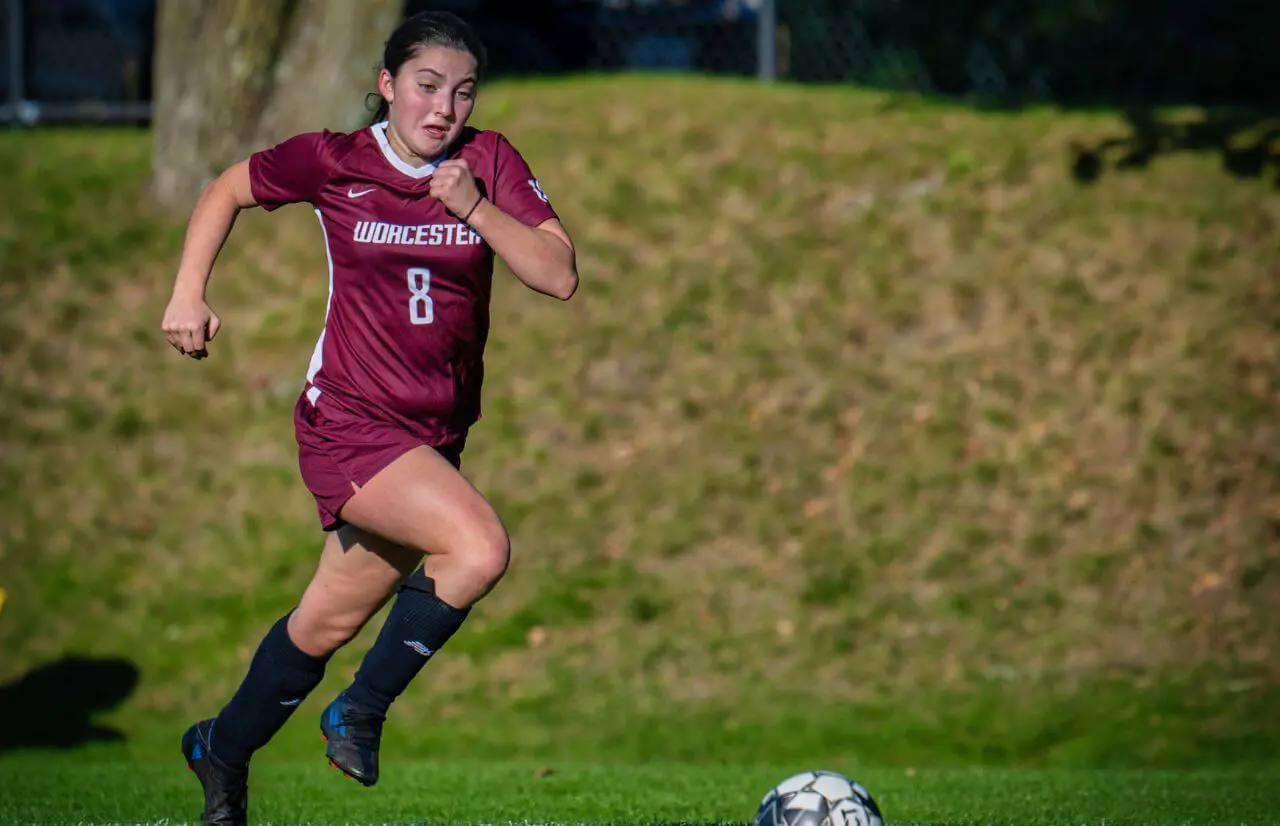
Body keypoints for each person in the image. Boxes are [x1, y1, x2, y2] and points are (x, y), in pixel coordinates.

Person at [160, 11, 578, 825]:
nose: (442, 109)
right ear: (387, 85)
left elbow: (558, 274)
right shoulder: (334, 160)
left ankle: (222, 749)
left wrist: (477, 211)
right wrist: (187, 292)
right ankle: (360, 712)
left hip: (431, 440)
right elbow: (229, 188)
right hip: (348, 423)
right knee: (479, 546)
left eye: (461, 93)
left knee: (325, 623)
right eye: (425, 87)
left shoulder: (487, 162)